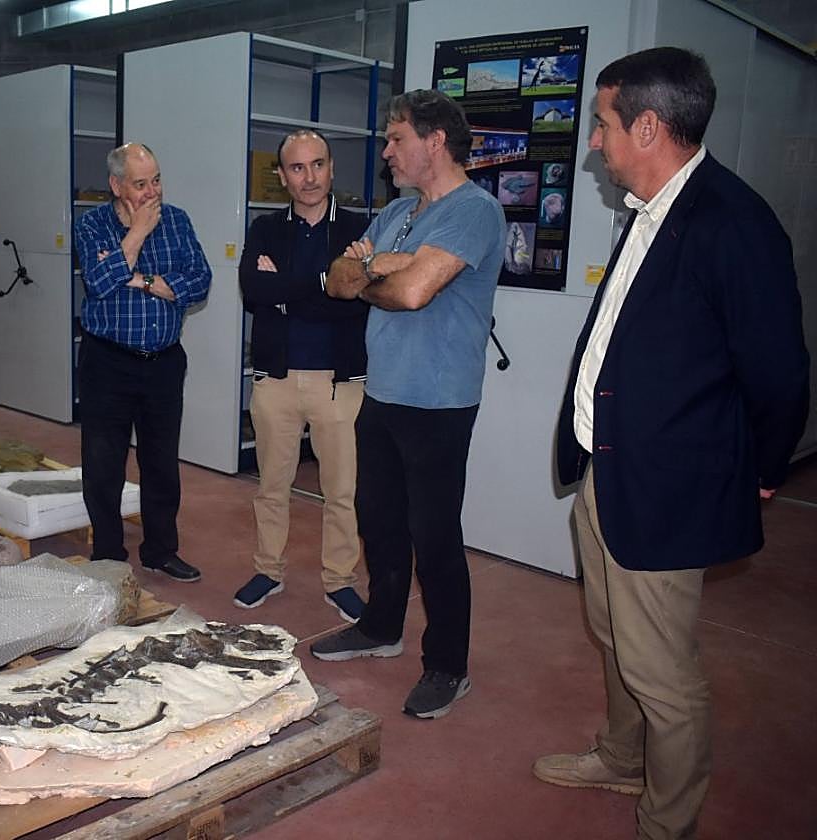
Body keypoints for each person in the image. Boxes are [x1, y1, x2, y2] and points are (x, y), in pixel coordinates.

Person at [533, 48, 809, 840]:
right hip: (606, 472)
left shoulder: (733, 223)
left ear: (648, 126)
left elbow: (781, 373)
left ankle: (670, 820)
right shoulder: (651, 210)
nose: (593, 142)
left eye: (603, 124)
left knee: (663, 670)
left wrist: (761, 467)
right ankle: (623, 757)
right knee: (613, 633)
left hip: (665, 488)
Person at [310, 89, 506, 720]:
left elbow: (416, 293)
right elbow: (336, 281)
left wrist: (383, 271)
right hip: (384, 393)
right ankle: (380, 627)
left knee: (435, 538)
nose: (386, 151)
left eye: (396, 138)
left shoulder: (474, 211)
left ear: (435, 141)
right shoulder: (396, 211)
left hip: (439, 403)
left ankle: (449, 665)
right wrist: (381, 267)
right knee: (380, 523)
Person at [234, 129, 370, 621]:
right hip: (276, 380)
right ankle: (268, 570)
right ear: (281, 176)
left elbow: (357, 302)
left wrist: (287, 289)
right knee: (272, 485)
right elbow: (253, 288)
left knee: (342, 491)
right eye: (297, 167)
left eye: (317, 164)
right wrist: (323, 282)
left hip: (340, 382)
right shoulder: (266, 229)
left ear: (332, 168)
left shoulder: (357, 229)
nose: (309, 177)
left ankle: (340, 581)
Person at [73, 143, 212, 582]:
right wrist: (134, 236)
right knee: (103, 463)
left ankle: (160, 551)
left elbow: (200, 280)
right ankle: (110, 554)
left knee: (160, 462)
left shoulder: (178, 221)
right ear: (116, 185)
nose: (151, 193)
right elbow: (98, 284)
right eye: (140, 184)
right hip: (107, 362)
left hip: (163, 363)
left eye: (156, 181)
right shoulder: (91, 225)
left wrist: (142, 280)